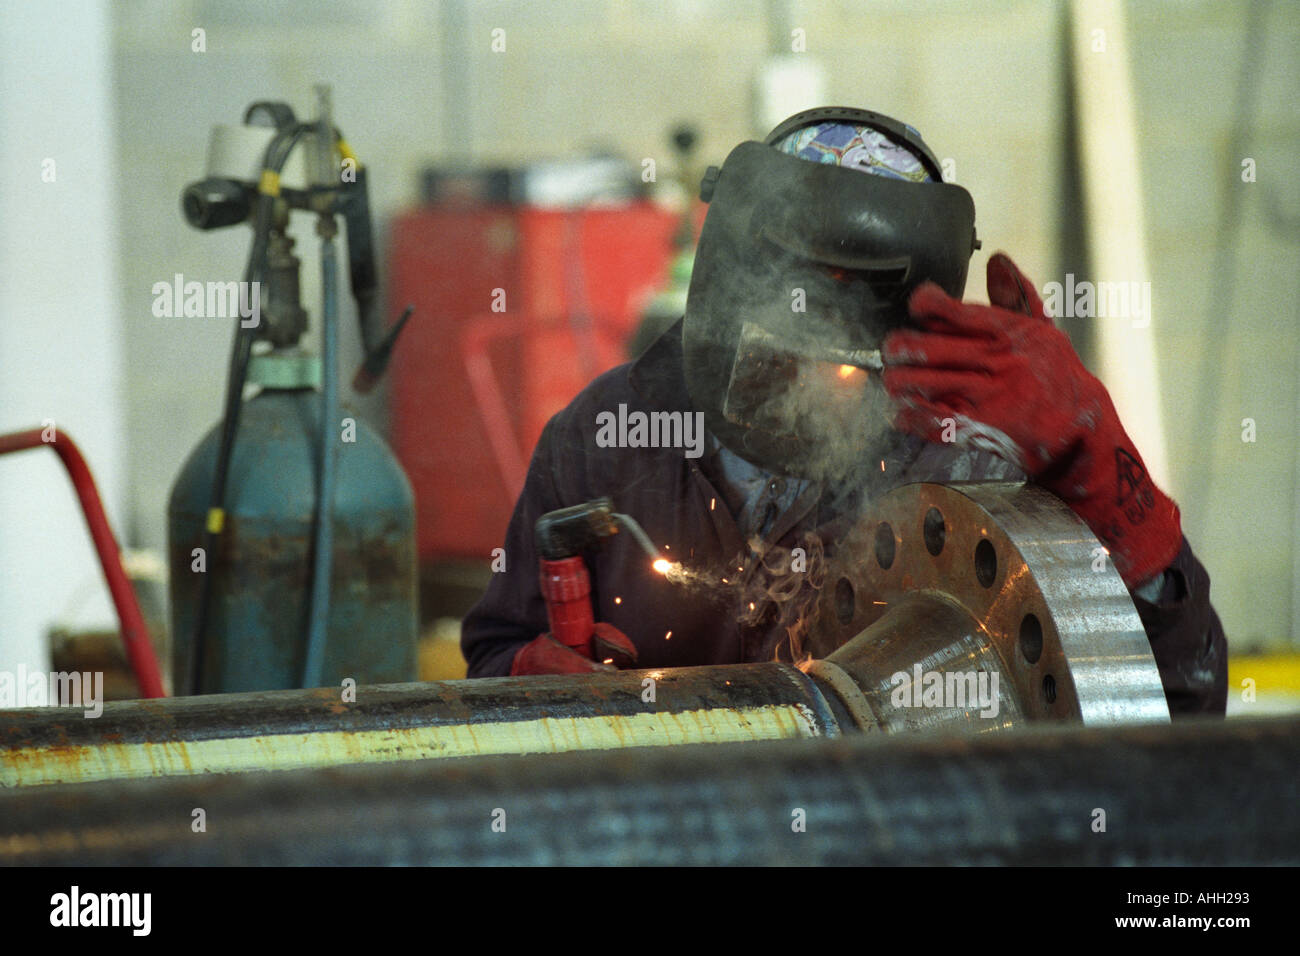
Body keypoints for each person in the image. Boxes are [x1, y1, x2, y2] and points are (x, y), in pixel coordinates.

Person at [461, 106, 1227, 717]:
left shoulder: (967, 464)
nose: (804, 376)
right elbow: (494, 653)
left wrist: (1120, 507)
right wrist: (530, 679)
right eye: (776, 342)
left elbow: (1181, 712)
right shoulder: (608, 435)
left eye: (837, 354)